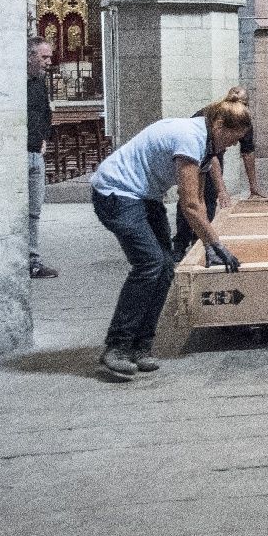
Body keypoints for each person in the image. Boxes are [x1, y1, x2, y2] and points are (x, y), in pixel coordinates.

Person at [89, 101, 250, 380]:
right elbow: (187, 205)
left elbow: (198, 201)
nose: (234, 146)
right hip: (116, 192)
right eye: (233, 139)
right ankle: (116, 348)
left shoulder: (208, 146)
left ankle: (140, 347)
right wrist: (217, 245)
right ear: (219, 126)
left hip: (144, 196)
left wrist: (206, 244)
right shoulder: (190, 138)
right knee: (150, 265)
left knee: (165, 269)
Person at [173, 86, 268, 254]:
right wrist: (222, 190)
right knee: (189, 195)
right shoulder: (206, 119)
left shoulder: (242, 120)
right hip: (194, 153)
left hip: (210, 152)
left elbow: (247, 152)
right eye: (233, 139)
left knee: (207, 196)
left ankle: (200, 241)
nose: (234, 144)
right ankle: (181, 244)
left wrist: (253, 186)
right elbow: (211, 157)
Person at [24, 36, 59, 278]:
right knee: (20, 211)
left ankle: (33, 260)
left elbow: (45, 113)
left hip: (37, 152)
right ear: (30, 56)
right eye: (44, 57)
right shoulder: (18, 83)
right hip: (21, 153)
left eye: (49, 56)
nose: (49, 62)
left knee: (35, 210)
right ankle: (21, 260)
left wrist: (44, 138)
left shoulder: (39, 83)